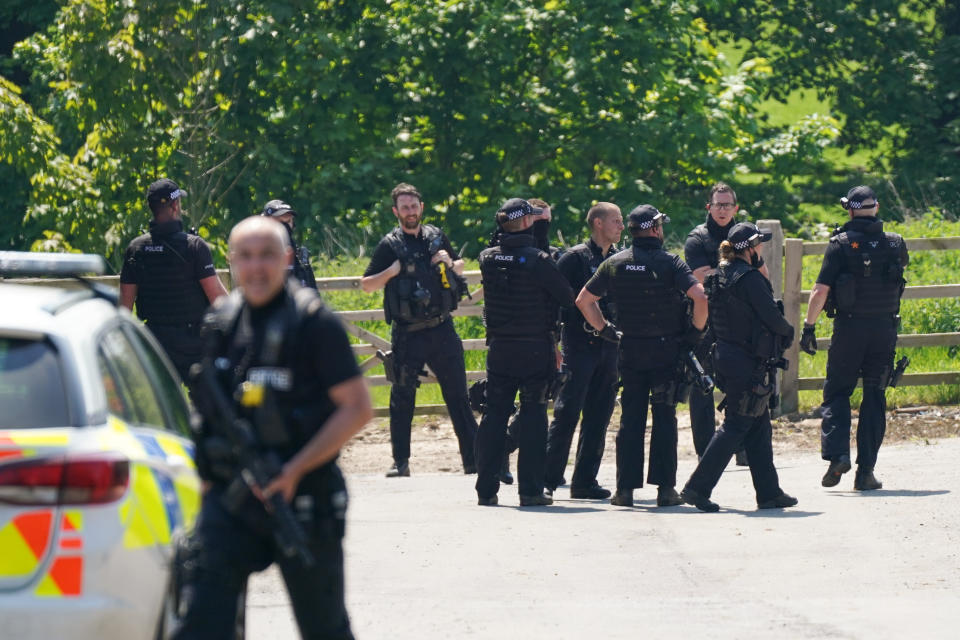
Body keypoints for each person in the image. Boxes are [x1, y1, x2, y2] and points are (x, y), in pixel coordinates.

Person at [175, 216, 372, 639]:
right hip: (233, 499)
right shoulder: (221, 323)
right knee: (200, 626)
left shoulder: (314, 323)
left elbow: (357, 408)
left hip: (303, 500)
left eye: (267, 255)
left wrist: (295, 470)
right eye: (245, 257)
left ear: (286, 259)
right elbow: (207, 414)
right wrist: (208, 484)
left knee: (325, 629)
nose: (257, 267)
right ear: (231, 263)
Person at [578, 205, 707, 508]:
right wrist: (695, 333)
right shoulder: (671, 263)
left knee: (630, 421)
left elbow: (584, 300)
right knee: (664, 418)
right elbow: (700, 296)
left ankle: (625, 491)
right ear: (655, 229)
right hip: (666, 353)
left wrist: (606, 330)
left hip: (630, 350)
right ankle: (665, 490)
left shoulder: (614, 263)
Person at [361, 183, 477, 477]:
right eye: (404, 207)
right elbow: (367, 284)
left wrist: (451, 262)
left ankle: (473, 461)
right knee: (402, 397)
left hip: (441, 328)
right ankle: (400, 462)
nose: (410, 212)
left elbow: (461, 265)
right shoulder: (389, 245)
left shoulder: (436, 236)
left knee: (458, 396)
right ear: (395, 211)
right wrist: (391, 272)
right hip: (408, 332)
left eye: (414, 206)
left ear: (421, 207)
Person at [681, 222, 798, 512]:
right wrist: (788, 332)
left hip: (727, 357)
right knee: (736, 423)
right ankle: (697, 488)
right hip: (746, 361)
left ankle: (769, 492)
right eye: (759, 244)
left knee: (758, 424)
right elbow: (770, 315)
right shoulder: (748, 278)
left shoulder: (719, 275)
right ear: (749, 249)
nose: (761, 249)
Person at [799, 185, 908, 490]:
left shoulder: (840, 244)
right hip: (884, 330)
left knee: (837, 393)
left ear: (849, 209)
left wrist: (809, 327)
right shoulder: (896, 243)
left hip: (849, 329)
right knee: (875, 396)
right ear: (877, 207)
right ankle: (865, 473)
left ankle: (837, 457)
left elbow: (820, 291)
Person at [475, 197, 575, 506]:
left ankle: (486, 490)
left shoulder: (487, 257)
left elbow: (502, 249)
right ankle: (530, 491)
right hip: (534, 348)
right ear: (528, 222)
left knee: (494, 416)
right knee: (533, 417)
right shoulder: (539, 260)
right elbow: (566, 297)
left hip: (500, 348)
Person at [543, 202, 624, 499]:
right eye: (616, 221)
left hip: (608, 347)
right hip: (578, 345)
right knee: (567, 413)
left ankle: (584, 481)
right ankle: (547, 480)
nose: (621, 226)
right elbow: (553, 304)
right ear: (599, 223)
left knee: (599, 414)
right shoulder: (574, 259)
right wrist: (554, 345)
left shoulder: (617, 259)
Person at [684, 182, 767, 463]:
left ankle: (742, 448)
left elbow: (763, 275)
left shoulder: (746, 235)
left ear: (736, 208)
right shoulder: (698, 238)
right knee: (702, 386)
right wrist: (741, 275)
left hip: (741, 325)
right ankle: (706, 450)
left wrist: (733, 276)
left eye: (727, 205)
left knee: (742, 387)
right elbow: (699, 277)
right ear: (709, 207)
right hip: (707, 321)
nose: (722, 210)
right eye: (717, 204)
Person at [120, 178, 228, 382]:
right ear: (175, 206)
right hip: (194, 345)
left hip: (155, 345)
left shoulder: (136, 249)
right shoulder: (195, 246)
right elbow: (218, 300)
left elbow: (124, 308)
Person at [261, 198, 318, 289]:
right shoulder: (255, 254)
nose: (285, 228)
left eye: (288, 222)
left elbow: (312, 291)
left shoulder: (298, 255)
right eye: (280, 223)